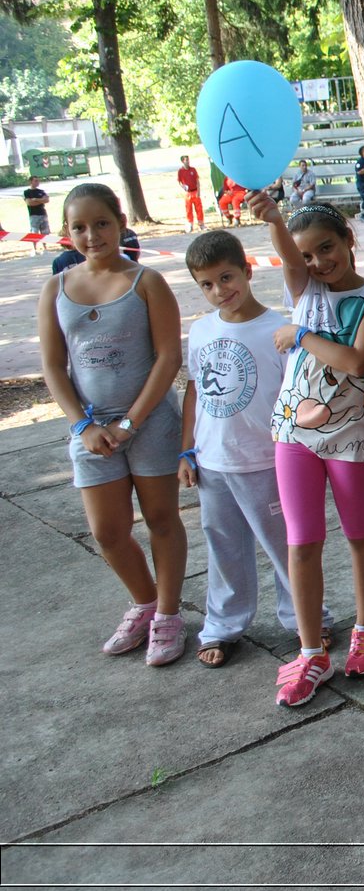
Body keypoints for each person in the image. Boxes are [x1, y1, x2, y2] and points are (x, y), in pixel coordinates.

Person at [37, 184, 188, 665]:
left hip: (150, 424)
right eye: (78, 226)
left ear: (120, 223)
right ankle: (144, 602)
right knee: (108, 532)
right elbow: (54, 367)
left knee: (162, 521)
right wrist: (83, 425)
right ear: (66, 232)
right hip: (92, 432)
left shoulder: (146, 282)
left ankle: (168, 614)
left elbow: (168, 357)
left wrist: (130, 421)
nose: (91, 234)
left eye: (101, 223)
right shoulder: (56, 289)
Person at [257, 197, 364, 707]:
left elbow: (357, 360)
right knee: (302, 542)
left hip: (354, 432)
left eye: (327, 248)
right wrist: (274, 220)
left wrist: (301, 334)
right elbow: (292, 260)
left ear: (348, 242)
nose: (318, 262)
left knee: (360, 533)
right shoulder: (304, 287)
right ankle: (311, 650)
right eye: (307, 255)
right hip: (293, 431)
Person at [180, 230, 334, 667]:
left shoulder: (277, 329)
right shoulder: (201, 329)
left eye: (226, 278)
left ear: (247, 272)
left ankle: (306, 619)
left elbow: (301, 396)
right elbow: (195, 392)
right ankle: (223, 626)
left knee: (287, 546)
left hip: (266, 461)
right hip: (212, 464)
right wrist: (186, 450)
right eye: (206, 285)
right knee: (223, 547)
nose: (218, 291)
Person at [50, 223, 140, 274]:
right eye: (79, 228)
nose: (91, 237)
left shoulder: (58, 261)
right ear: (70, 237)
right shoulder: (90, 254)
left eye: (102, 224)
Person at [177, 155, 206, 232]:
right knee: (188, 209)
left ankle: (201, 224)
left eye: (188, 160)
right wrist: (183, 186)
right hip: (188, 193)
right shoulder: (180, 171)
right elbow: (179, 182)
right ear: (183, 161)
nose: (188, 161)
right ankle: (190, 224)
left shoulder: (193, 169)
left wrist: (198, 192)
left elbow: (197, 181)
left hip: (195, 191)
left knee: (199, 209)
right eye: (186, 160)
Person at [23, 175, 49, 252]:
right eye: (35, 181)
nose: (38, 182)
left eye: (38, 180)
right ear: (31, 182)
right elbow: (29, 203)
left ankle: (45, 247)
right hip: (33, 215)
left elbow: (46, 200)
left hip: (43, 214)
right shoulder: (27, 192)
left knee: (45, 232)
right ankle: (35, 248)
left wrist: (36, 199)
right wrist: (41, 201)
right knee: (34, 232)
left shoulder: (41, 191)